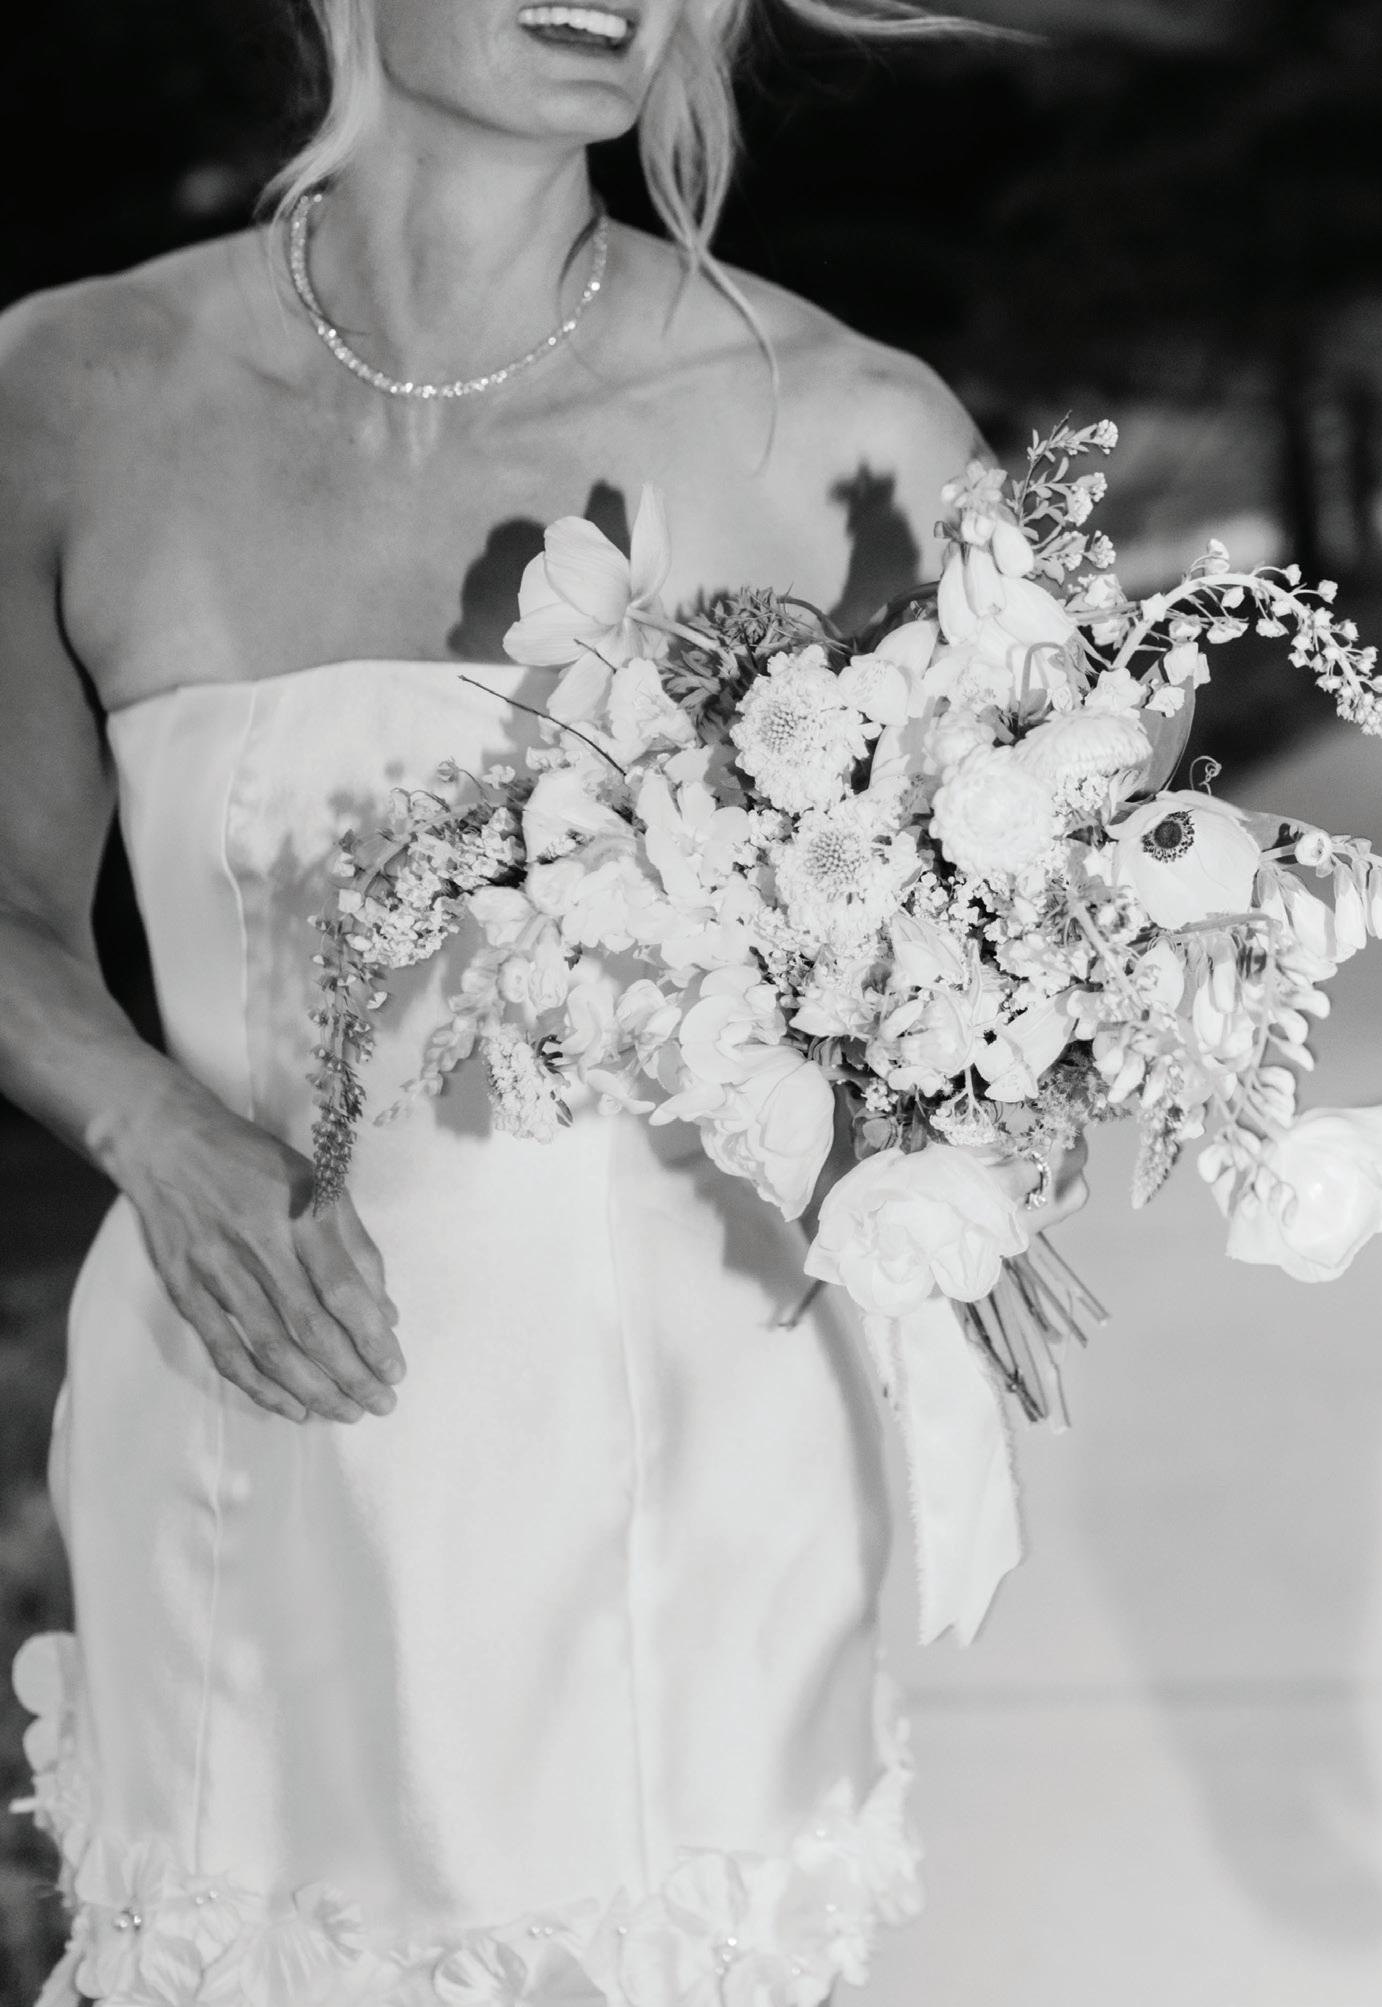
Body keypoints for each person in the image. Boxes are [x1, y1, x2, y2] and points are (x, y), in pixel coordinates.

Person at [0, 1, 1087, 2000]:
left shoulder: (842, 426)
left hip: (689, 1476)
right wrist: (148, 1122)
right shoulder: (71, 390)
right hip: (244, 1396)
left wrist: (973, 1094)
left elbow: (1029, 932)